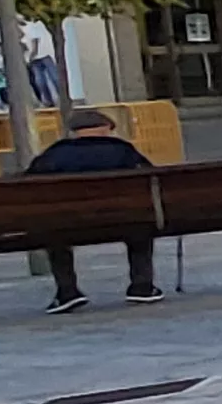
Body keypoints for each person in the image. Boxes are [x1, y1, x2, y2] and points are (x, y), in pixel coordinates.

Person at [26, 109, 164, 313]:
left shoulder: (55, 154)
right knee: (139, 223)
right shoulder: (123, 150)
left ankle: (67, 291)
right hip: (121, 219)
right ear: (106, 129)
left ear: (74, 131)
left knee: (53, 231)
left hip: (68, 223)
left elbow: (28, 183)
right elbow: (150, 178)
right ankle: (142, 286)